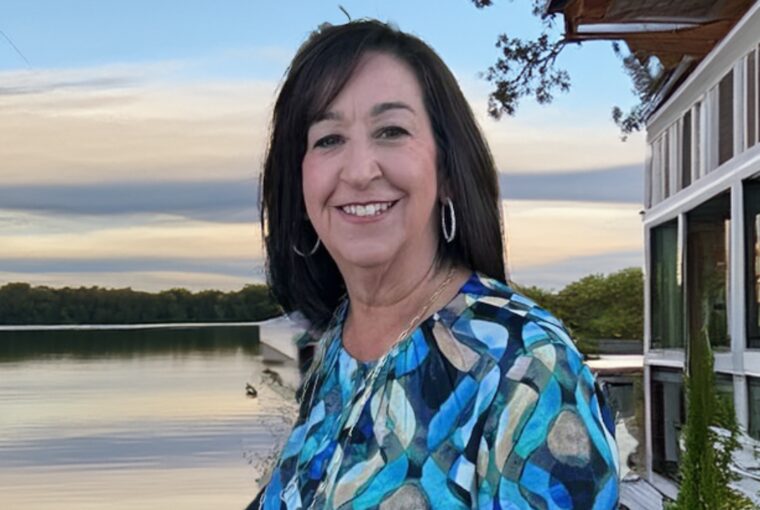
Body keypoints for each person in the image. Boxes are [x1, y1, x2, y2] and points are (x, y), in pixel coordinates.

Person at [248, 19, 619, 510]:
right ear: (299, 182)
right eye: (328, 139)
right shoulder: (336, 345)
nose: (359, 171)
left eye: (391, 131)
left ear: (447, 171)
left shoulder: (529, 369)